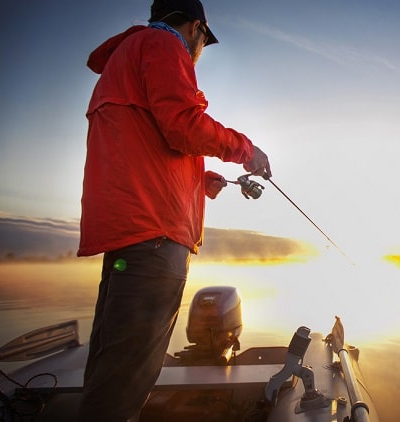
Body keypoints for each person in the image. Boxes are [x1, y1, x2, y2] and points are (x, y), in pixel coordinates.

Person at [76, 1, 270, 420]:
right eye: (203, 38)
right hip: (154, 239)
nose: (200, 48)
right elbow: (183, 125)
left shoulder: (128, 56)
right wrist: (246, 149)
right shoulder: (165, 46)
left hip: (132, 235)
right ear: (197, 27)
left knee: (112, 367)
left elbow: (141, 150)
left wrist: (201, 182)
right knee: (123, 386)